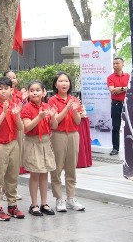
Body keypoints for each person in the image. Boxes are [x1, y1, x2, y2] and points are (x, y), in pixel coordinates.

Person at [0, 77, 24, 221]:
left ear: (11, 90)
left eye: (6, 88)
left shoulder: (16, 106)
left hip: (13, 143)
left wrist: (17, 114)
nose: (3, 91)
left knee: (13, 176)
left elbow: (21, 128)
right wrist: (4, 112)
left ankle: (12, 204)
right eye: (0, 88)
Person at [48, 72, 86, 213]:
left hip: (73, 135)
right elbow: (55, 122)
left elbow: (78, 121)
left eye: (66, 81)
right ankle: (59, 199)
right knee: (56, 168)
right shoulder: (52, 100)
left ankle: (71, 198)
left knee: (71, 168)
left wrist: (75, 110)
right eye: (61, 81)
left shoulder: (74, 100)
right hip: (58, 135)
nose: (64, 83)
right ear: (56, 84)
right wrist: (67, 108)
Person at [21, 81, 57, 216]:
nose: (34, 92)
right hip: (33, 143)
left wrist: (52, 116)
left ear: (44, 92)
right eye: (32, 90)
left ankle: (44, 203)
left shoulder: (47, 106)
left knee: (44, 173)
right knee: (35, 174)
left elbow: (54, 125)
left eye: (37, 90)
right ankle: (34, 204)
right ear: (28, 93)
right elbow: (27, 127)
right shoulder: (26, 108)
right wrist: (39, 116)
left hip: (46, 142)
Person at [107, 57, 130, 156]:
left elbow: (131, 88)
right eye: (114, 63)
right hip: (116, 104)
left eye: (117, 63)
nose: (115, 65)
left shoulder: (128, 76)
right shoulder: (110, 77)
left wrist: (119, 89)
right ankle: (115, 148)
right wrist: (125, 88)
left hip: (127, 104)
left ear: (122, 64)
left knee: (129, 126)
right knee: (116, 127)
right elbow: (112, 90)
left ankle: (129, 147)